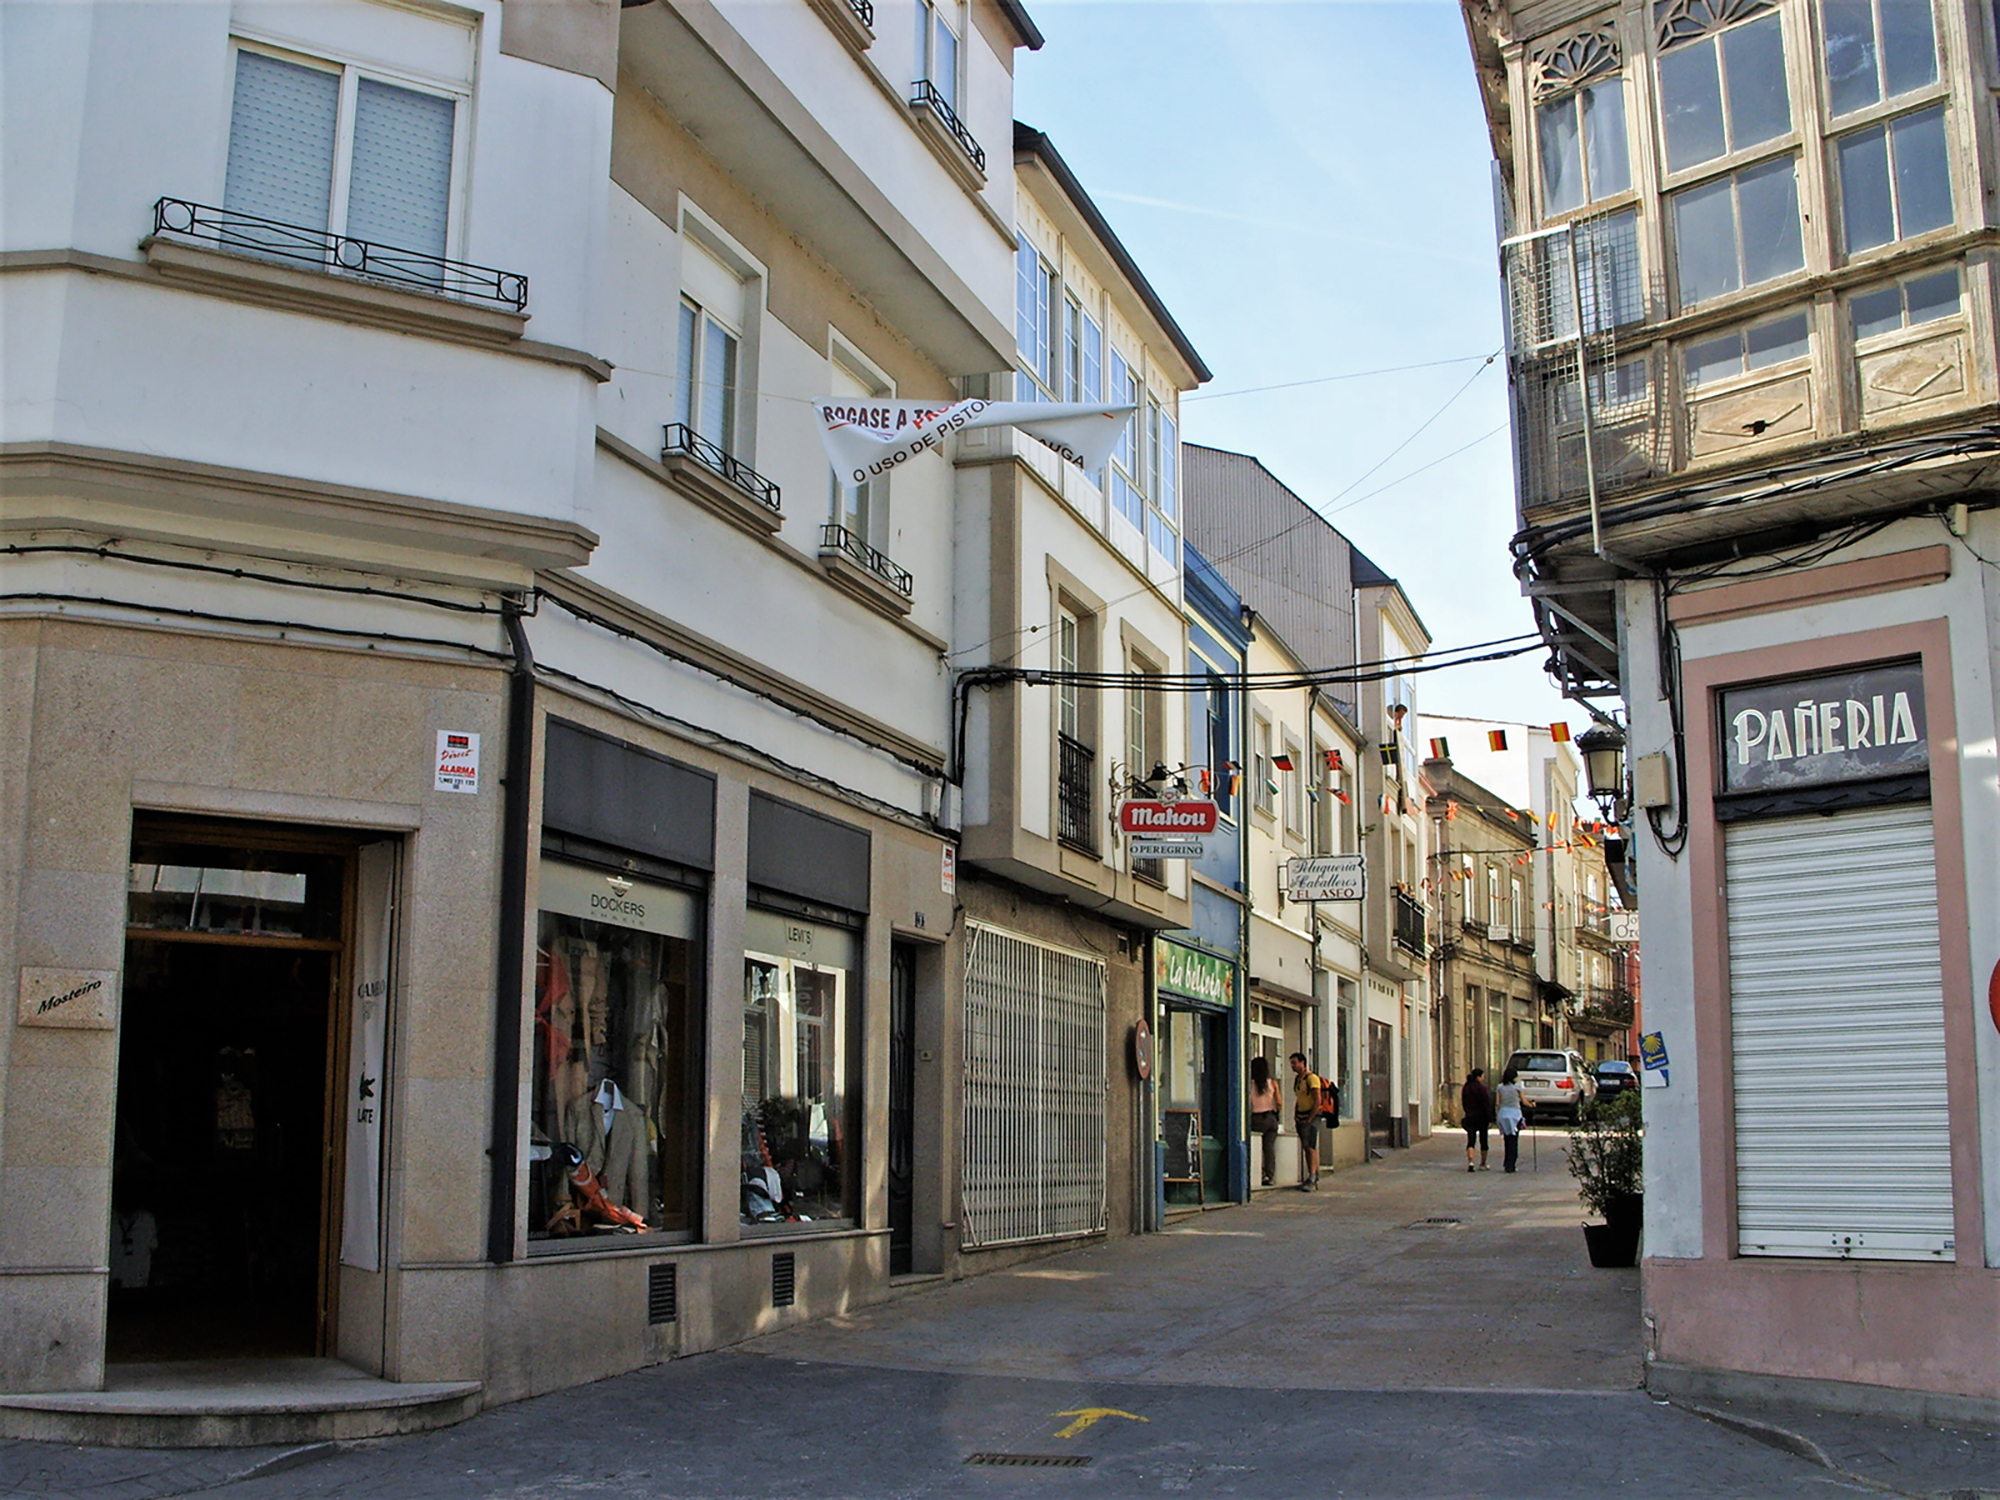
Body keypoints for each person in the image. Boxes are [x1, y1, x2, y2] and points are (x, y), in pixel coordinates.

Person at [1248, 1055, 1283, 1187]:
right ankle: (1269, 1175)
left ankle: (1254, 1174)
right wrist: (1276, 1114)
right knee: (1269, 1148)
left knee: (1254, 1146)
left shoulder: (1249, 1084)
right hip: (1269, 1117)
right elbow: (1279, 1102)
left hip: (1255, 1117)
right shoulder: (1272, 1083)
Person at [1288, 1052, 1321, 1190]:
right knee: (1306, 1146)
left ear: (1302, 1063)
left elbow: (1317, 1099)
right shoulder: (1298, 1080)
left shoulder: (1311, 1078)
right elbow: (1299, 1098)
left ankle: (1312, 1177)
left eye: (1295, 1063)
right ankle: (1312, 1175)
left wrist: (1310, 1118)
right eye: (1291, 1063)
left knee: (1310, 1146)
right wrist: (1296, 1114)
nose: (1293, 1066)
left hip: (1311, 1116)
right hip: (1301, 1116)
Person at [1494, 1066, 1528, 1173]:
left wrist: (1496, 1114)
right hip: (1515, 1115)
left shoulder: (1500, 1087)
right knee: (1514, 1140)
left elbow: (1497, 1103)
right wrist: (1532, 1104)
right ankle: (1511, 1164)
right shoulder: (1517, 1088)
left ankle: (1506, 1162)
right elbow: (1524, 1101)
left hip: (1503, 1114)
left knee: (1507, 1140)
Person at [1461, 1067, 1494, 1172]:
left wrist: (1467, 1112)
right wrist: (1490, 1118)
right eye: (1483, 1076)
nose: (1484, 1078)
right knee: (1483, 1140)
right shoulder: (1482, 1088)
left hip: (1470, 1116)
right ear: (1478, 1077)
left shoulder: (1466, 1087)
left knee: (1471, 1140)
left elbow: (1464, 1102)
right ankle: (1483, 1163)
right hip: (1482, 1118)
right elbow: (1486, 1104)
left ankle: (1471, 1162)